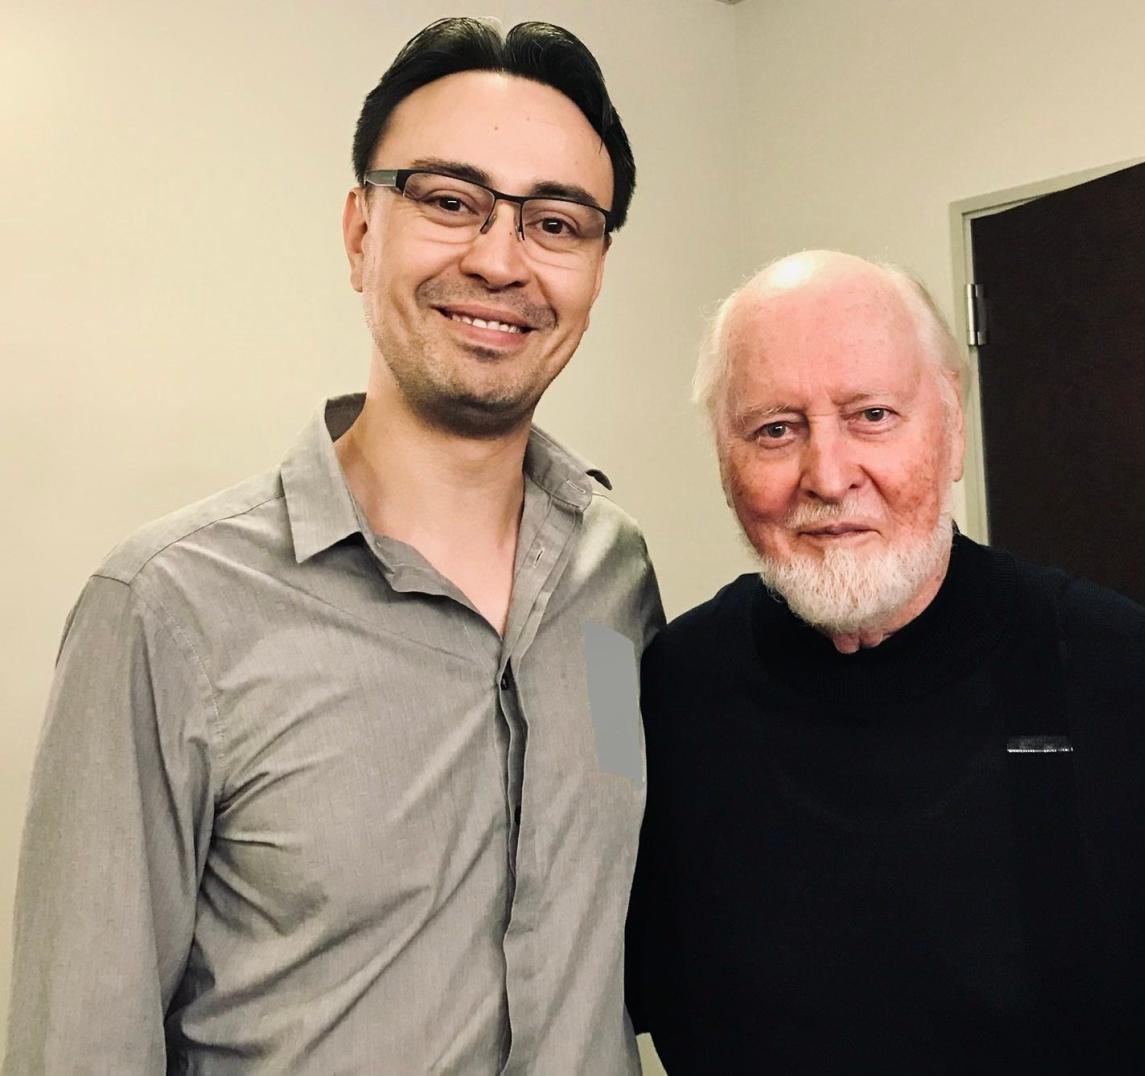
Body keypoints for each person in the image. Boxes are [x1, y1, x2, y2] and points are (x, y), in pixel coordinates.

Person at [7, 18, 661, 1074]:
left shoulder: (614, 581)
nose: (500, 260)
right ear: (361, 231)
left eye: (556, 221)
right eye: (450, 201)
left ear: (595, 265)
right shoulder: (168, 608)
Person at [627, 250, 1145, 1074]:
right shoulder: (668, 685)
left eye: (872, 415)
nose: (830, 475)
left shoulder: (1129, 674)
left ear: (952, 428)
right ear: (723, 460)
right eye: (775, 429)